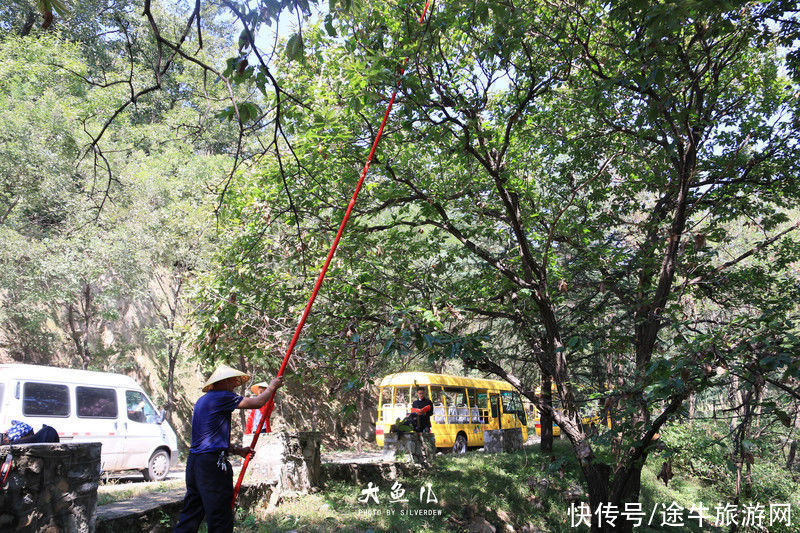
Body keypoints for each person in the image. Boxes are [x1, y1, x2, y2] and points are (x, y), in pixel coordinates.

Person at [174, 365, 283, 533]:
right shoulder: (223, 396)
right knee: (220, 514)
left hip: (195, 463)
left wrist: (236, 450)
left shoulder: (203, 400)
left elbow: (208, 438)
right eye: (232, 382)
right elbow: (257, 402)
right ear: (223, 382)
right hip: (211, 465)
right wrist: (272, 387)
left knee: (192, 512)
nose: (234, 386)